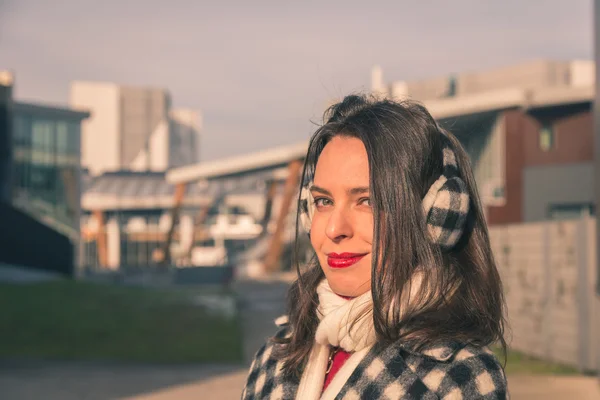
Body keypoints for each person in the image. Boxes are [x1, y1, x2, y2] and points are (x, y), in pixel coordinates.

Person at [242, 94, 508, 399]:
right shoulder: (273, 359)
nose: (334, 229)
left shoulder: (457, 378)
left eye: (367, 201)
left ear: (435, 216)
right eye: (323, 201)